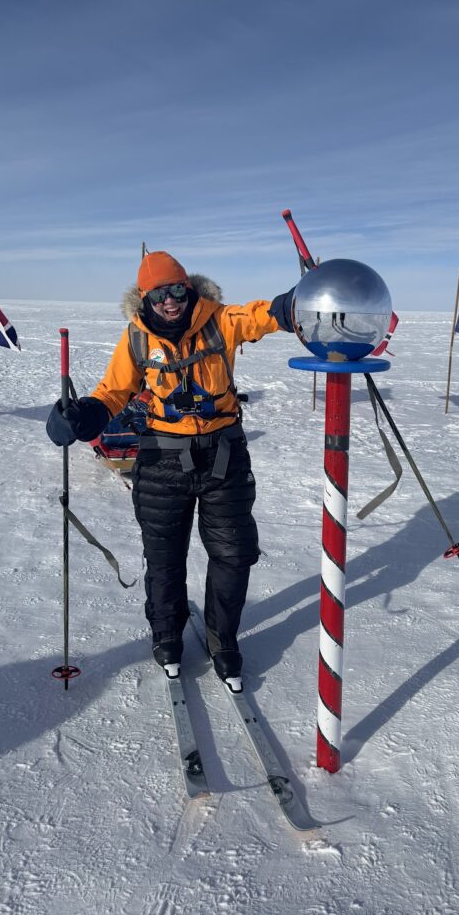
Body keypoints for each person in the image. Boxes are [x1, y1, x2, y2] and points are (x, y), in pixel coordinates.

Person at [47, 251, 294, 690]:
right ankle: (166, 633)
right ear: (145, 298)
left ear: (189, 288)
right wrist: (83, 415)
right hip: (162, 460)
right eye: (159, 294)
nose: (170, 301)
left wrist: (293, 306)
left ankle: (223, 636)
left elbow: (261, 316)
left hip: (223, 456)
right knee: (163, 557)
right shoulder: (137, 338)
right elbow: (114, 391)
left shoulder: (220, 319)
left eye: (177, 290)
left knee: (233, 553)